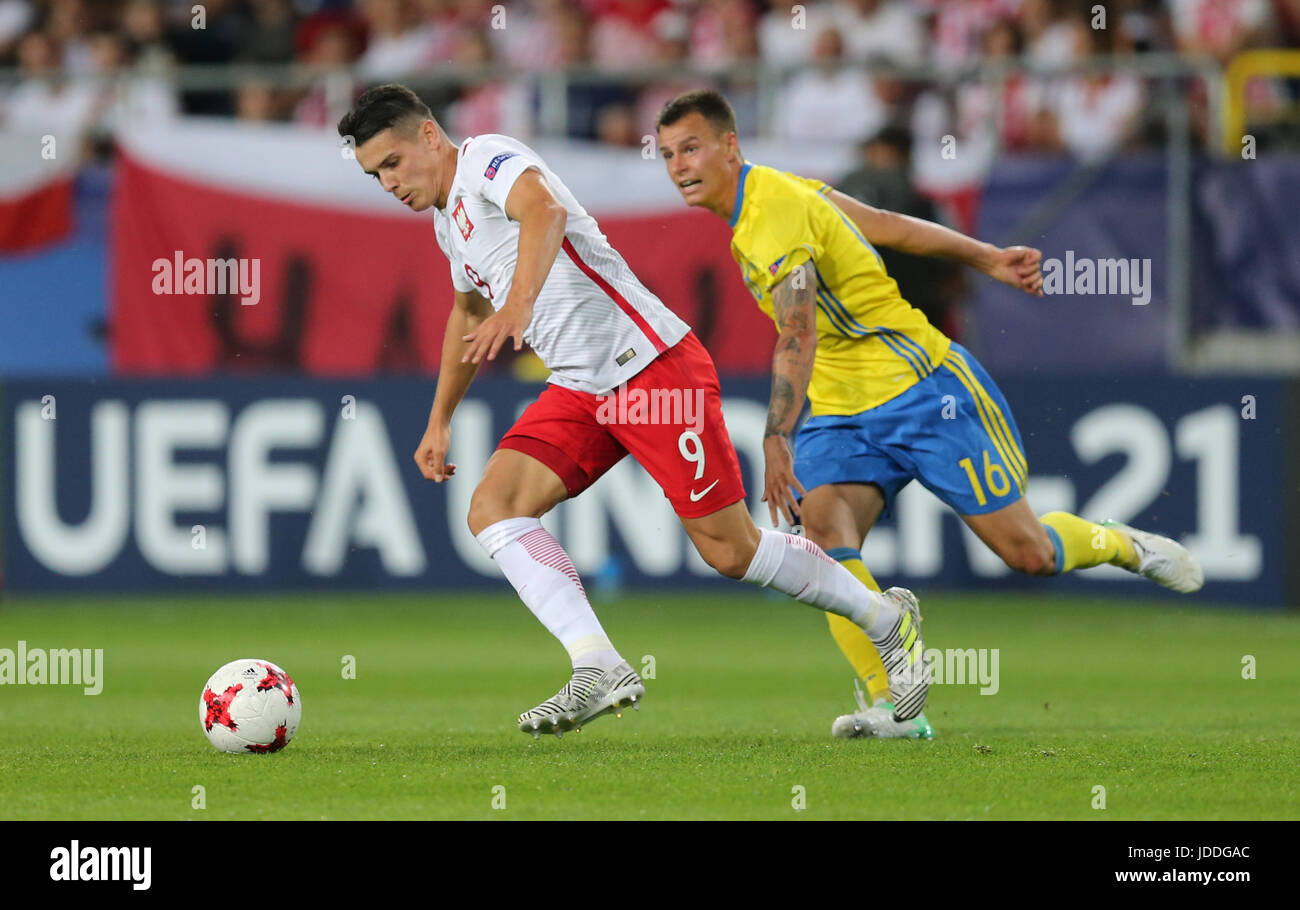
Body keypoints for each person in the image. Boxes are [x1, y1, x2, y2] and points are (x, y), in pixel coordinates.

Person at [337, 84, 931, 737]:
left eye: (391, 163)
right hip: (582, 387)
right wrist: (440, 418)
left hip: (649, 367)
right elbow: (468, 313)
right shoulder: (448, 219)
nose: (387, 181)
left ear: (427, 136)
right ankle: (598, 665)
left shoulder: (487, 159)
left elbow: (544, 214)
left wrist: (521, 305)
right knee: (493, 507)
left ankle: (883, 619)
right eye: (373, 175)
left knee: (730, 551)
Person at [655, 89, 1204, 739]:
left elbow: (796, 333)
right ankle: (895, 705)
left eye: (691, 148)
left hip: (922, 389)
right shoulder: (774, 194)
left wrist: (776, 435)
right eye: (666, 155)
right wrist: (987, 255)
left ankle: (1119, 542)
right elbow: (884, 222)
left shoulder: (772, 212)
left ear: (729, 146)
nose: (679, 166)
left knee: (1029, 554)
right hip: (838, 406)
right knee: (826, 538)